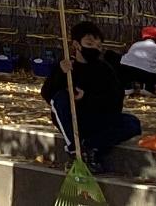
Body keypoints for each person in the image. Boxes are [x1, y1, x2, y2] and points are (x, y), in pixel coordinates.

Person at [41, 21, 142, 175]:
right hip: (73, 120)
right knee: (60, 98)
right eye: (89, 43)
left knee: (132, 123)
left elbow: (115, 101)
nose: (94, 48)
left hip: (97, 119)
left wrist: (86, 98)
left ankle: (91, 147)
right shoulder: (66, 67)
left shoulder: (104, 69)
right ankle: (75, 150)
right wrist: (60, 74)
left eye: (98, 45)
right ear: (76, 44)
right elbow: (48, 95)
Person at [120, 25, 156, 93]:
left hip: (126, 69)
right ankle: (148, 88)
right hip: (147, 74)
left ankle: (128, 87)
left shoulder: (135, 45)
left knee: (130, 67)